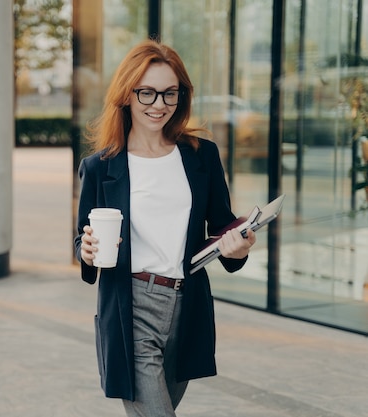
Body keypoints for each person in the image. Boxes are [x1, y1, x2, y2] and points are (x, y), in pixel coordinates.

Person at [74, 39, 256, 417]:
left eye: (170, 94)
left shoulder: (200, 156)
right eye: (147, 93)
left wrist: (238, 245)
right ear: (126, 95)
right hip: (131, 305)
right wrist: (87, 250)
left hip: (185, 303)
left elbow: (223, 225)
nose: (159, 105)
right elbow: (84, 239)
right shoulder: (100, 167)